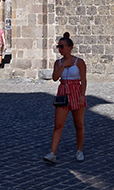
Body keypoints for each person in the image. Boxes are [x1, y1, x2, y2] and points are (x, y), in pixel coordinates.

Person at [43, 32, 87, 165]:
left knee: (78, 124)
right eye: (58, 47)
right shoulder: (58, 62)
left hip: (76, 91)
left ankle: (79, 150)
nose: (60, 49)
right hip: (63, 91)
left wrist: (82, 95)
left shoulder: (79, 62)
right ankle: (52, 153)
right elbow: (55, 78)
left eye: (62, 46)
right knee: (58, 124)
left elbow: (83, 80)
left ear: (70, 47)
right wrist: (63, 65)